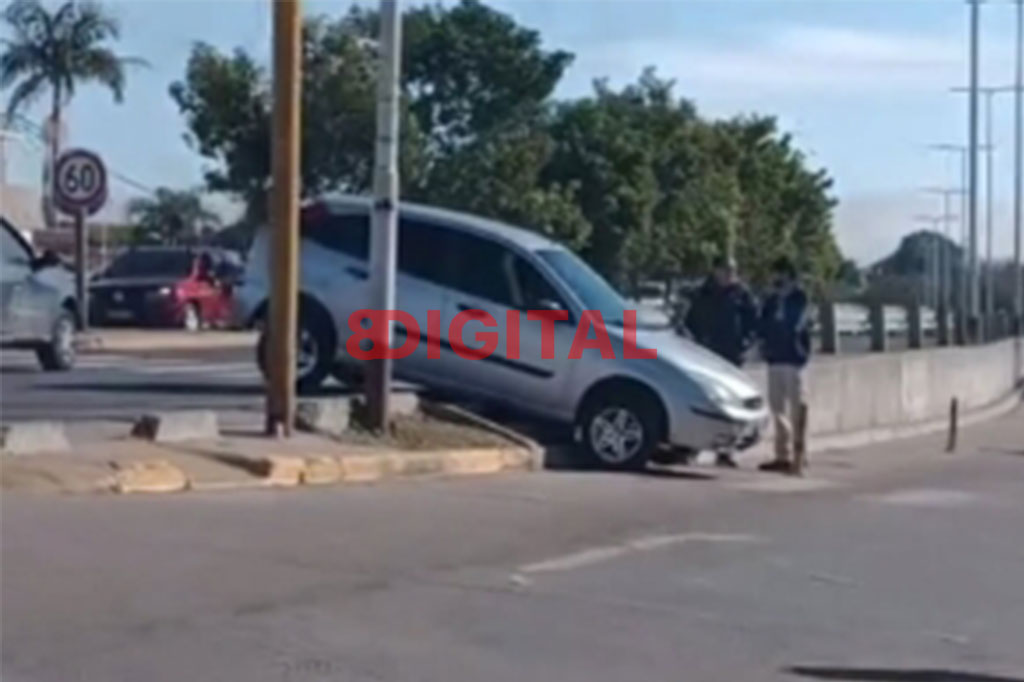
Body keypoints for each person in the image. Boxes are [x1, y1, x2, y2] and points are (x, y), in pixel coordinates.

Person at [685, 255, 758, 467]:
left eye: (732, 270)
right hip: (706, 355)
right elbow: (691, 321)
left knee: (732, 407)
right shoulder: (703, 293)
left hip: (732, 356)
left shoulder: (742, 295)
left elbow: (752, 322)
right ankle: (693, 447)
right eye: (725, 270)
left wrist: (744, 343)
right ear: (715, 271)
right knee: (700, 402)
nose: (729, 275)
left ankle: (727, 451)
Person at [758, 257, 811, 476]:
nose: (775, 280)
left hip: (793, 358)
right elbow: (764, 323)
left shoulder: (799, 298)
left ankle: (799, 454)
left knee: (797, 407)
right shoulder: (771, 300)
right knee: (777, 407)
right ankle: (782, 454)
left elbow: (795, 324)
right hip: (775, 358)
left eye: (779, 275)